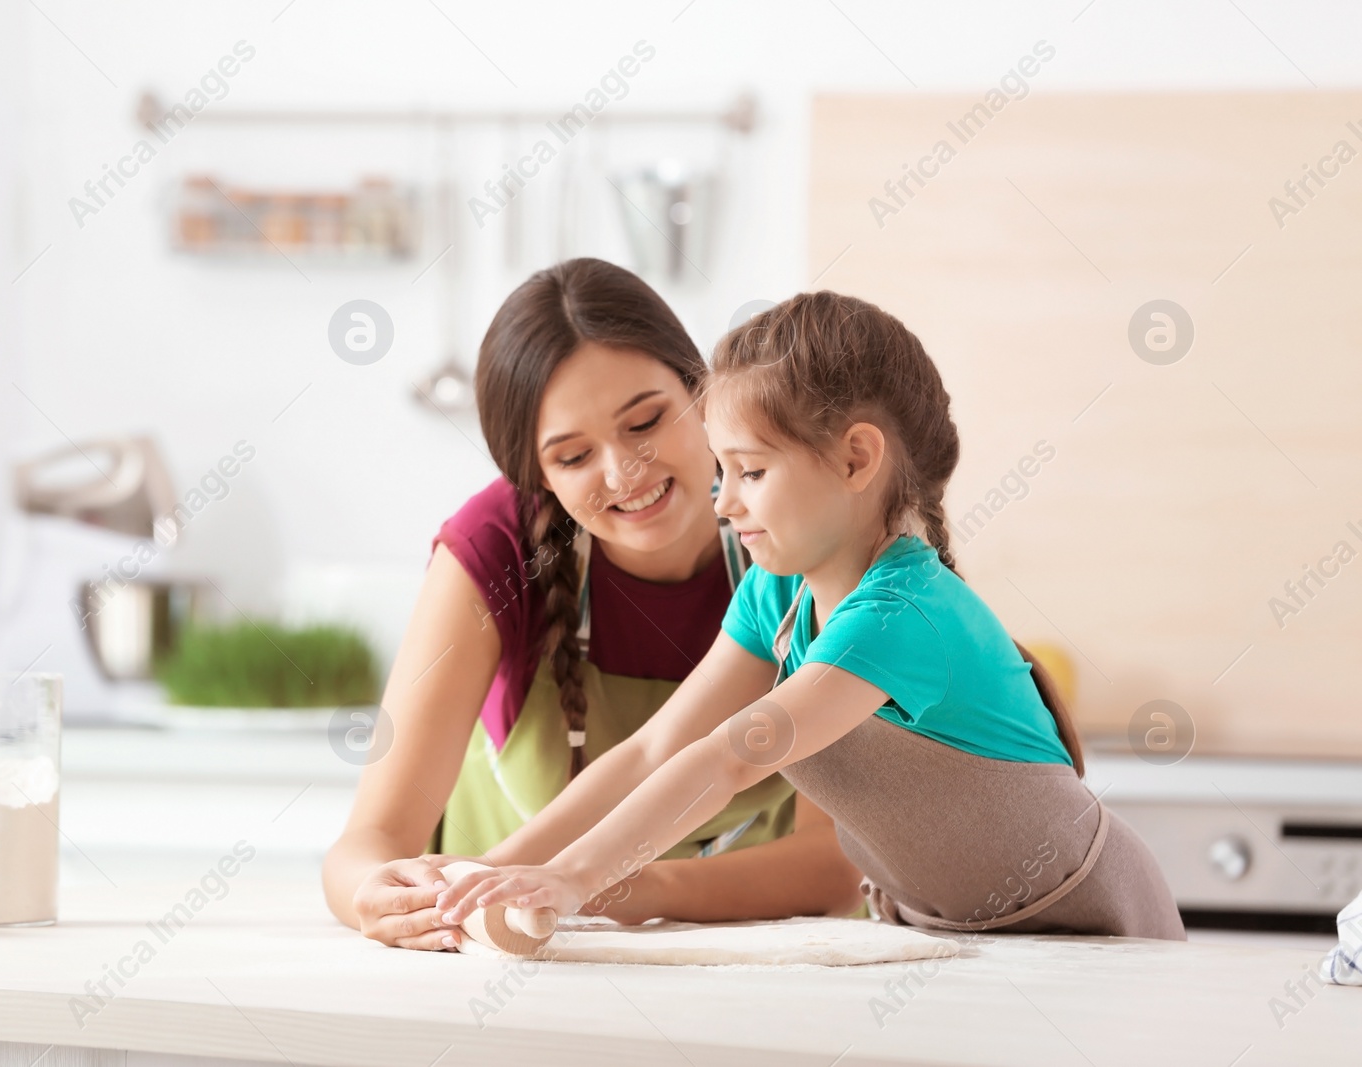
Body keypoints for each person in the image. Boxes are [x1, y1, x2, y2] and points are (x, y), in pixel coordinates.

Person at [439, 289, 1187, 940]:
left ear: (858, 458)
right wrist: (484, 874)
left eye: (752, 471)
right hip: (952, 933)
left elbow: (730, 754)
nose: (724, 504)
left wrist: (571, 879)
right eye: (722, 469)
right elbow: (656, 748)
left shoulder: (900, 613)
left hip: (1092, 927)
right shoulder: (778, 595)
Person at [323, 260, 864, 951]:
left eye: (644, 421)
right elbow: (366, 844)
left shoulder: (796, 538)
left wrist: (614, 889)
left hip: (753, 966)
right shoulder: (497, 549)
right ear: (537, 475)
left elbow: (835, 863)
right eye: (573, 457)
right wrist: (378, 895)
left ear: (703, 392)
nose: (623, 473)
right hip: (509, 966)